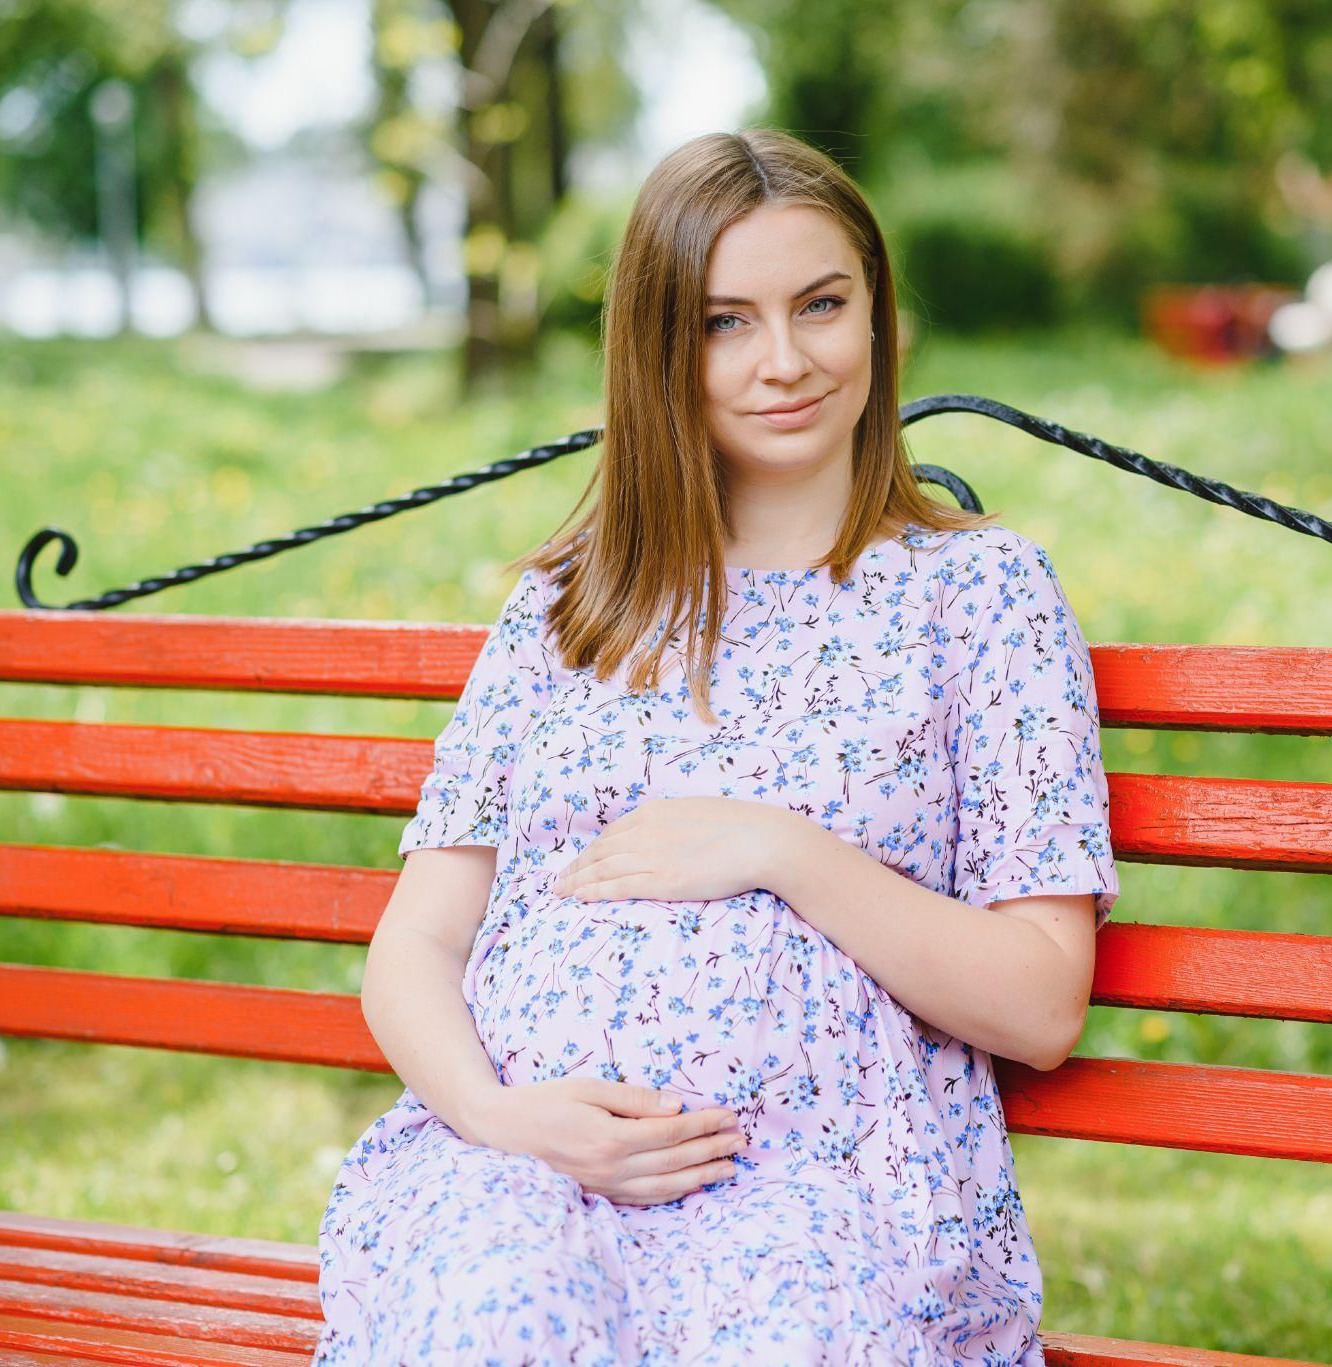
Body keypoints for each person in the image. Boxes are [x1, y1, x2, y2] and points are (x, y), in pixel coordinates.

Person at [311, 126, 1121, 1366]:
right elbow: (418, 936)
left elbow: (1039, 1000)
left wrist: (777, 846)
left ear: (876, 315)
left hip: (814, 1185)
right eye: (722, 322)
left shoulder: (980, 596)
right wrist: (497, 1114)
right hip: (521, 1165)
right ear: (657, 350)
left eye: (821, 305)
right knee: (494, 1325)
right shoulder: (571, 608)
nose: (784, 361)